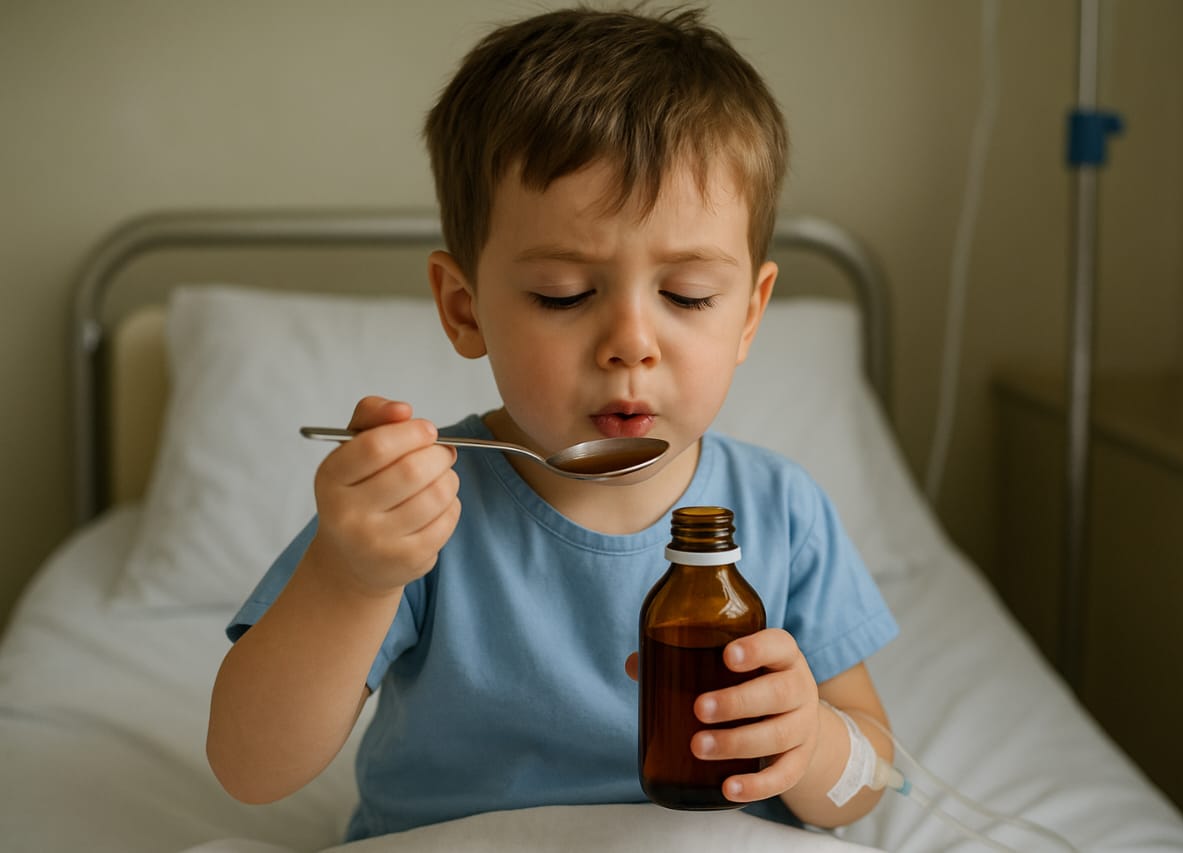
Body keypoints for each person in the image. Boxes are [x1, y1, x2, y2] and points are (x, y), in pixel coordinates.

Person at [206, 5, 898, 842]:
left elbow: (872, 781)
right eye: (564, 294)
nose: (631, 344)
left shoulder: (783, 511)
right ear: (465, 310)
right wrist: (348, 578)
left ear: (749, 316)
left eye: (687, 296)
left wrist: (816, 743)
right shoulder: (420, 512)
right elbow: (250, 767)